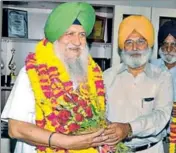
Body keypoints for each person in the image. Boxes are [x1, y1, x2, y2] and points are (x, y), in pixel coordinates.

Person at [1, 2, 109, 153]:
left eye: (82, 35)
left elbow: (94, 119)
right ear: (55, 37)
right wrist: (66, 142)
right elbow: (16, 129)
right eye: (69, 33)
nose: (77, 42)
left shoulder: (92, 76)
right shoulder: (31, 73)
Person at [103, 15, 174, 153]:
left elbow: (161, 116)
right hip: (113, 150)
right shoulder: (107, 77)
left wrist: (129, 128)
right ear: (121, 46)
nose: (135, 47)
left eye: (141, 41)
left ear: (150, 45)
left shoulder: (162, 77)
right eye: (129, 42)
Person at [150, 20, 176, 152]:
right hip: (154, 139)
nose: (169, 50)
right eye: (165, 45)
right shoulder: (151, 67)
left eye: (174, 45)